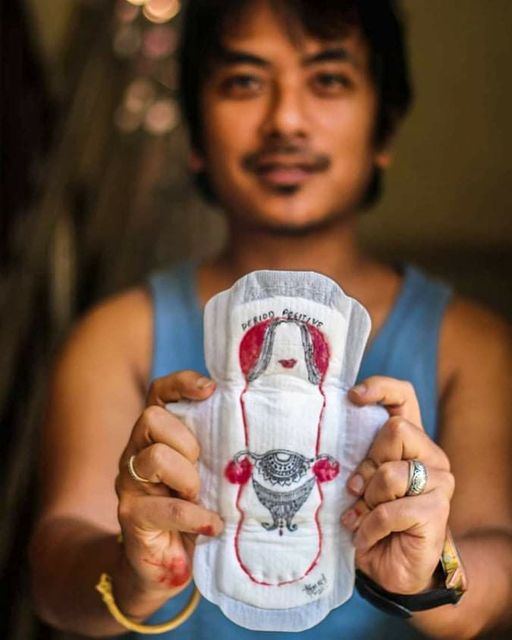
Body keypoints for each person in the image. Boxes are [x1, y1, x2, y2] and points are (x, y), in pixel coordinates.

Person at [29, 1, 512, 638]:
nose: (285, 119)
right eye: (244, 82)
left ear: (385, 129)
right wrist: (133, 571)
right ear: (196, 132)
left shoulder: (474, 348)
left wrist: (428, 571)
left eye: (328, 79)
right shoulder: (114, 339)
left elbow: (498, 571)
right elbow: (53, 576)